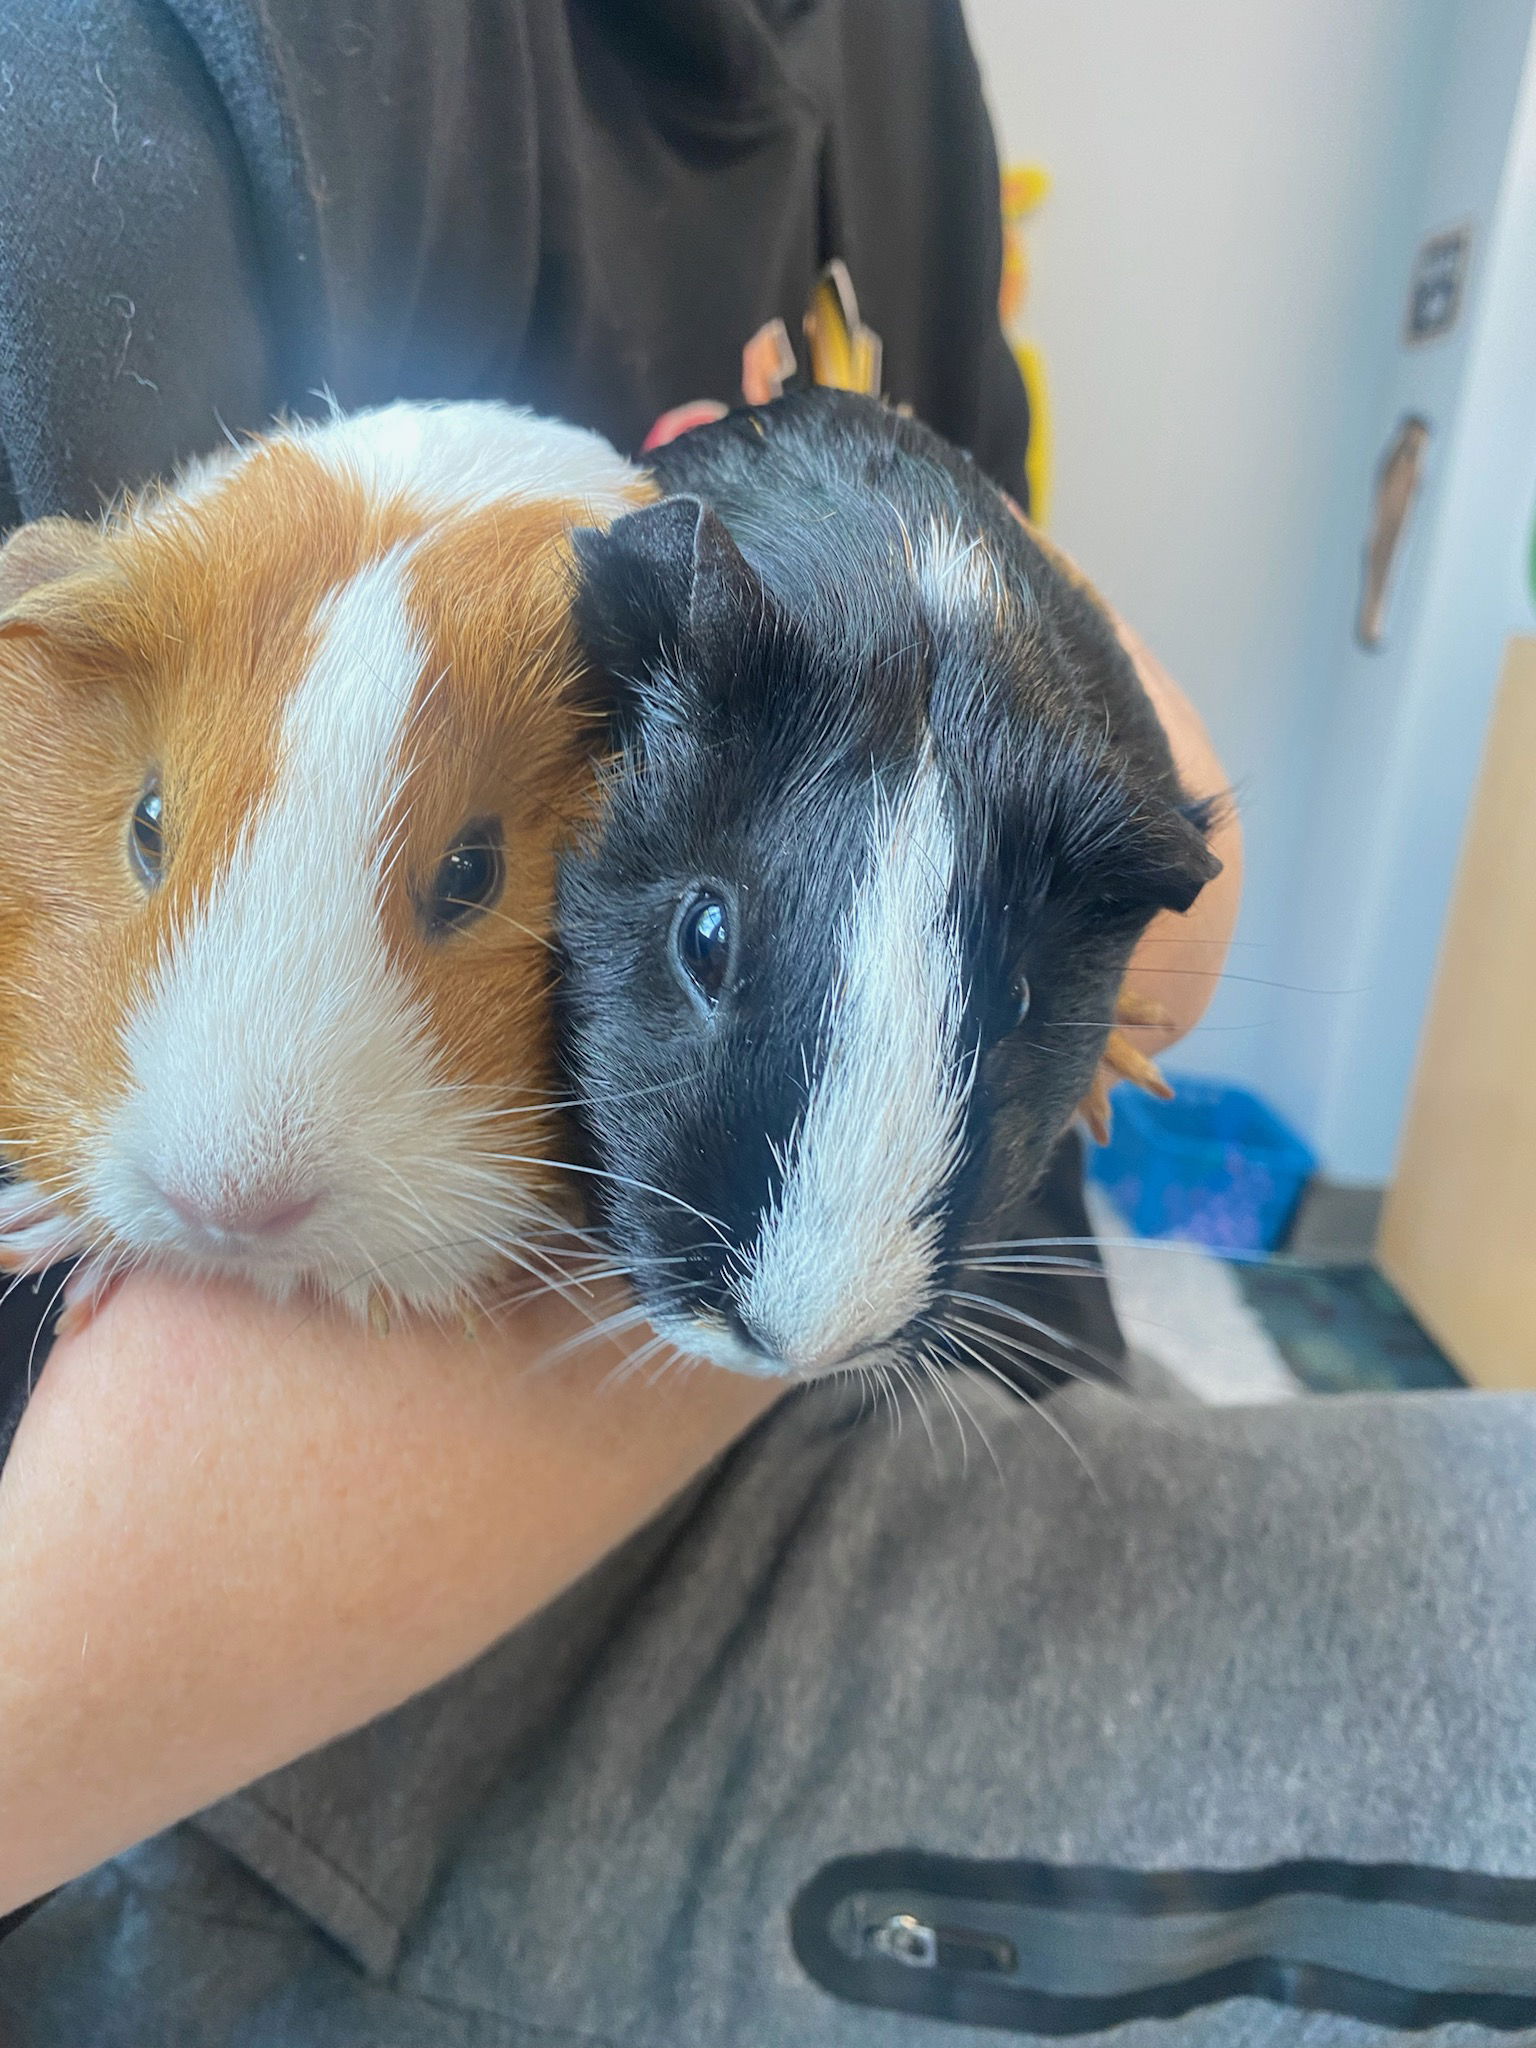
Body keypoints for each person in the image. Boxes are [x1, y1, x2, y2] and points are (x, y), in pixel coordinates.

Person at [2, 5, 1535, 2043]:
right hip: (388, 1744)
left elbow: (1165, 854)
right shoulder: (148, 83)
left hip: (963, 1404)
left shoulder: (902, 69)